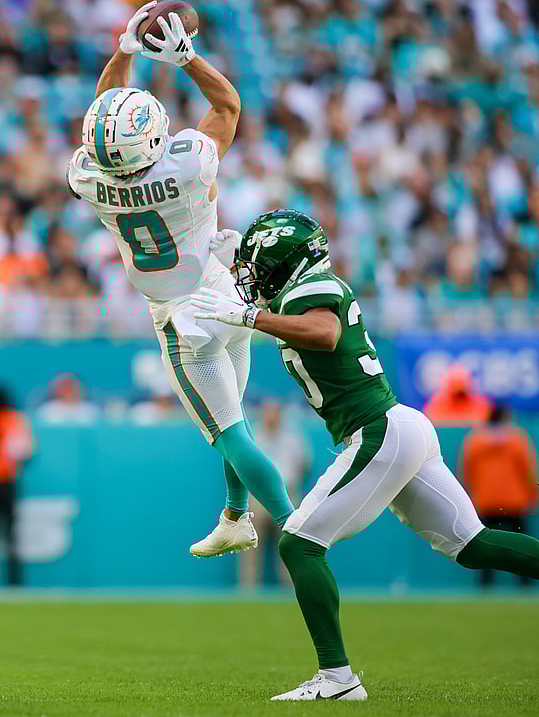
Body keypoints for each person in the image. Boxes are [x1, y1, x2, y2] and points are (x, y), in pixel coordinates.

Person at [191, 209, 539, 702]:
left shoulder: (309, 289)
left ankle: (337, 679)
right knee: (474, 546)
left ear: (282, 260)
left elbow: (325, 333)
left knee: (297, 544)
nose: (252, 277)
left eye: (257, 264)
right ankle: (336, 678)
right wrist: (228, 259)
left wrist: (253, 317)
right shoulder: (303, 285)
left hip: (377, 430)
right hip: (400, 425)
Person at [67, 1, 293, 557]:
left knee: (231, 433)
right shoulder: (190, 161)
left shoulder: (89, 180)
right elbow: (228, 105)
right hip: (228, 293)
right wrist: (186, 58)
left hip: (182, 322)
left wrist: (123, 50)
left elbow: (102, 106)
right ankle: (237, 516)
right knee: (233, 420)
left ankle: (298, 526)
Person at [460, 403, 537, 588]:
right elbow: (528, 470)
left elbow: (467, 471)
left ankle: (485, 586)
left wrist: (472, 494)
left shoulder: (475, 440)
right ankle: (525, 585)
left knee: (484, 546)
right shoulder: (517, 439)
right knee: (520, 545)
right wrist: (533, 494)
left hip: (486, 500)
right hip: (514, 500)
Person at [241, 398, 311, 588]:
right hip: (259, 496)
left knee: (290, 543)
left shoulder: (293, 437)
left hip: (288, 494)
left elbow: (305, 465)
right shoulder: (253, 436)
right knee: (250, 542)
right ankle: (249, 588)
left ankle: (291, 588)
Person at [0, 388, 33, 586]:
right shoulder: (14, 420)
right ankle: (15, 583)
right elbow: (25, 453)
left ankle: (15, 582)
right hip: (6, 482)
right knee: (11, 535)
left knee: (12, 535)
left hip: (6, 481)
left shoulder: (13, 421)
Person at [424, 364, 490, 426]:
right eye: (456, 393)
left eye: (461, 393)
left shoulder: (479, 403)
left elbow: (481, 424)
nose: (459, 398)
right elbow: (434, 423)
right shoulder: (437, 403)